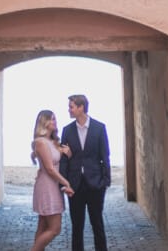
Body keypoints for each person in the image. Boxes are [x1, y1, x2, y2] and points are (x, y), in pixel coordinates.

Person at [59, 93, 110, 251]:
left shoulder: (99, 128)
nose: (69, 109)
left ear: (81, 107)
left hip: (95, 184)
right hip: (75, 185)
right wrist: (64, 183)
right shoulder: (67, 130)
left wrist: (105, 182)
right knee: (77, 227)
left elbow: (105, 156)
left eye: (71, 106)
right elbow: (64, 159)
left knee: (97, 224)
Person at [29, 109, 75, 250]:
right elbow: (49, 168)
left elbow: (58, 163)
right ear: (44, 122)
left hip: (53, 185)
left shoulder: (52, 141)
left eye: (55, 119)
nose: (55, 122)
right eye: (52, 119)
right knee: (55, 229)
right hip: (47, 187)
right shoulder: (41, 142)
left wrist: (68, 153)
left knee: (43, 226)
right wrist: (66, 183)